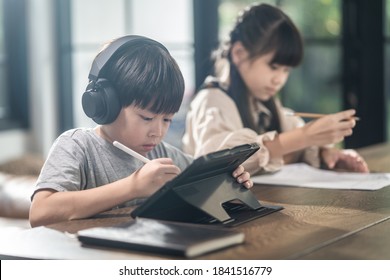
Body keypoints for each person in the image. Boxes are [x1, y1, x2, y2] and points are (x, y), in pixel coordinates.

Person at [29, 35, 252, 227]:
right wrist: (133, 186)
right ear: (106, 104)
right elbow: (40, 213)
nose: (157, 132)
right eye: (146, 117)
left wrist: (228, 182)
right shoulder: (77, 146)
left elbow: (201, 183)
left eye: (167, 119)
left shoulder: (163, 154)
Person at [183, 3, 369, 175]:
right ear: (239, 53)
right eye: (273, 67)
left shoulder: (261, 100)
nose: (279, 79)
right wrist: (304, 136)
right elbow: (215, 160)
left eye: (286, 70)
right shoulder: (212, 100)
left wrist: (326, 154)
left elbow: (290, 134)